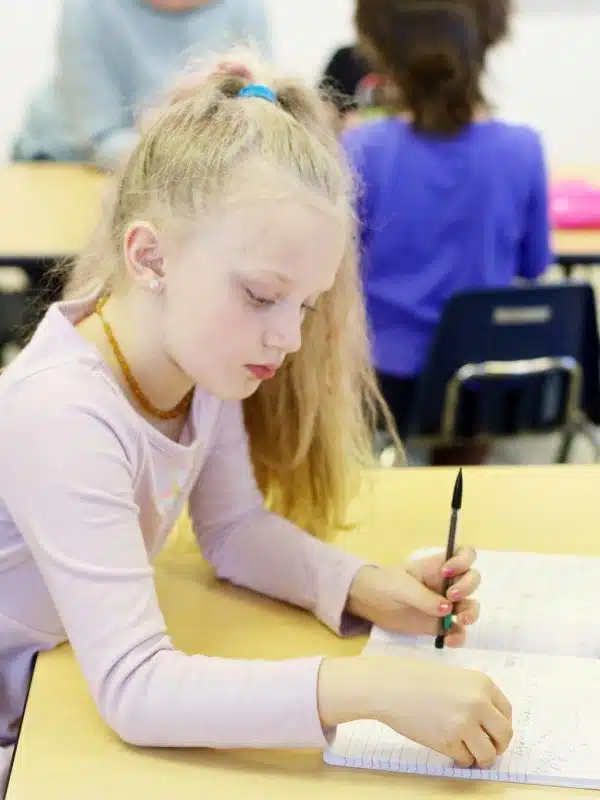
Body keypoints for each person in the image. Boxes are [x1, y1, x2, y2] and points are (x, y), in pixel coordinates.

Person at [0, 50, 513, 795]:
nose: (290, 339)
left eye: (305, 305)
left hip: (45, 690)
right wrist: (373, 690)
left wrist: (365, 588)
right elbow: (138, 688)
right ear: (150, 256)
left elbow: (235, 527)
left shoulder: (197, 364)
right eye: (261, 295)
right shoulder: (63, 412)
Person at [343, 0, 551, 466]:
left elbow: (336, 272)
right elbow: (533, 266)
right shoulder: (523, 149)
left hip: (381, 381)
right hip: (482, 379)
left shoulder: (361, 149)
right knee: (464, 448)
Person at [11, 0, 271, 171]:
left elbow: (261, 108)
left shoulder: (245, 7)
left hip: (194, 168)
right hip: (70, 164)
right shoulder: (88, 7)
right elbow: (99, 140)